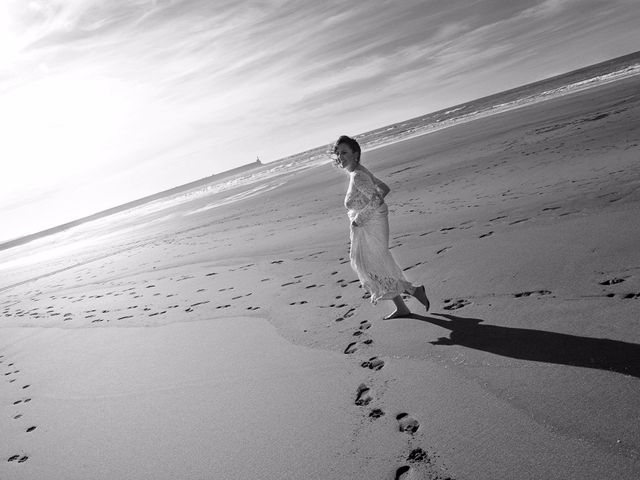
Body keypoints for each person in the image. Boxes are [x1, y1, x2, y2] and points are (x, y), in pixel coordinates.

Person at [333, 135, 430, 319]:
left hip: (369, 226)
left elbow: (377, 198)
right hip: (372, 224)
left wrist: (359, 219)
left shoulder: (359, 175)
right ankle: (403, 306)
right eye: (338, 153)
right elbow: (384, 188)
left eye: (344, 152)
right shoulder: (360, 172)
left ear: (356, 153)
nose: (340, 157)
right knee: (378, 264)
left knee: (372, 266)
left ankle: (414, 291)